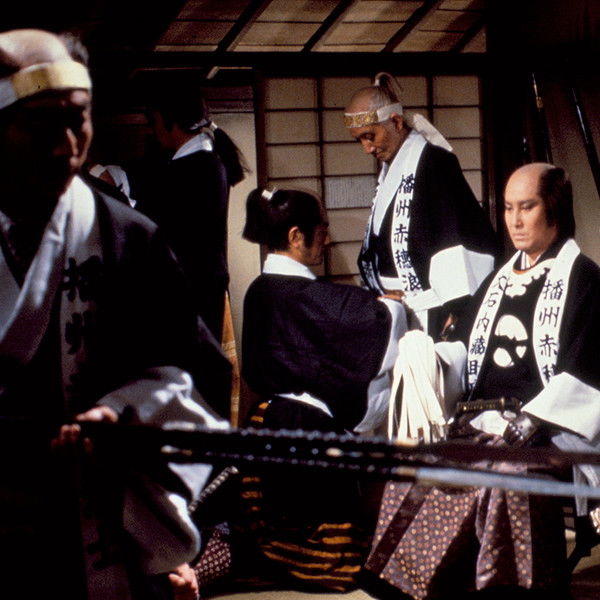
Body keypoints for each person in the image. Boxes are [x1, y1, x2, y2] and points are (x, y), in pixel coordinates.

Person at [0, 28, 232, 599]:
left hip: (102, 519)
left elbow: (199, 376)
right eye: (39, 123)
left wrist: (126, 414)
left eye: (77, 119)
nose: (66, 144)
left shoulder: (126, 238)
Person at [362, 163, 600, 599]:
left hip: (549, 431)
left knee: (504, 473)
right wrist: (429, 359)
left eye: (527, 207)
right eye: (508, 208)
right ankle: (422, 585)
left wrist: (534, 419)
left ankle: (511, 589)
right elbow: (463, 348)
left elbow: (589, 369)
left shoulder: (585, 279)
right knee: (425, 461)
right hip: (482, 421)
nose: (515, 220)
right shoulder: (497, 280)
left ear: (554, 208)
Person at [234, 187, 408, 592]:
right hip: (304, 425)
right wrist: (392, 305)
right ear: (296, 236)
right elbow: (375, 321)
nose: (326, 239)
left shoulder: (260, 289)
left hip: (264, 425)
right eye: (322, 229)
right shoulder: (303, 295)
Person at [345, 72, 499, 339]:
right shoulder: (390, 169)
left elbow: (454, 237)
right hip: (393, 309)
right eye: (359, 140)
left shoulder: (434, 163)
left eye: (370, 136)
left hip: (432, 310)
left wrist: (456, 310)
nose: (366, 148)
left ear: (396, 121)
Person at [129, 80, 247, 345]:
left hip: (191, 288)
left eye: (155, 120)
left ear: (171, 121)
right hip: (200, 285)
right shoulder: (202, 162)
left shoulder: (194, 168)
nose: (154, 129)